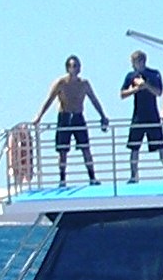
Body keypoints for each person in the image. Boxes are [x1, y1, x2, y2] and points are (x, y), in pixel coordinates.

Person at [35, 55, 109, 185]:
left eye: (77, 65)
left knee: (85, 148)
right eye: (73, 66)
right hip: (64, 117)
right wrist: (39, 116)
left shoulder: (84, 84)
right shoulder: (61, 83)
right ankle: (62, 179)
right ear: (68, 68)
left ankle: (92, 177)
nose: (75, 68)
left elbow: (94, 99)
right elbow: (49, 100)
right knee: (63, 150)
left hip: (78, 117)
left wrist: (102, 115)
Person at [120, 50, 163, 182]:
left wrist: (146, 85)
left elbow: (158, 92)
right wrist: (135, 89)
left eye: (134, 62)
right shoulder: (130, 76)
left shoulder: (154, 74)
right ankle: (133, 176)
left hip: (152, 114)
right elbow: (122, 94)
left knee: (160, 145)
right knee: (134, 147)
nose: (132, 65)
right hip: (138, 116)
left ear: (141, 61)